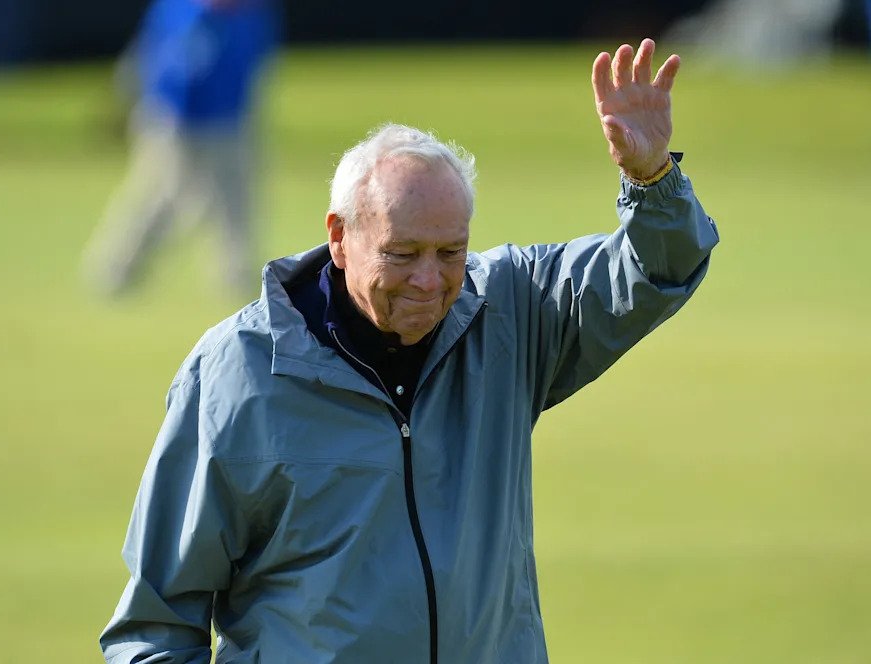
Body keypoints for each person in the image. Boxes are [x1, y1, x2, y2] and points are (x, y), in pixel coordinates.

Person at [100, 39, 719, 663]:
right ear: (341, 238)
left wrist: (651, 181)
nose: (430, 280)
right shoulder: (234, 373)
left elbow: (655, 271)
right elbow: (155, 624)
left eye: (451, 252)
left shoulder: (510, 311)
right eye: (403, 254)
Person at [83, 0, 279, 297]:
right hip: (174, 121)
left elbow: (256, 65)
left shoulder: (255, 13)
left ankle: (236, 278)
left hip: (230, 120)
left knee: (236, 200)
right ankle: (116, 268)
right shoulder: (180, 10)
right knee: (165, 198)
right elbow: (161, 63)